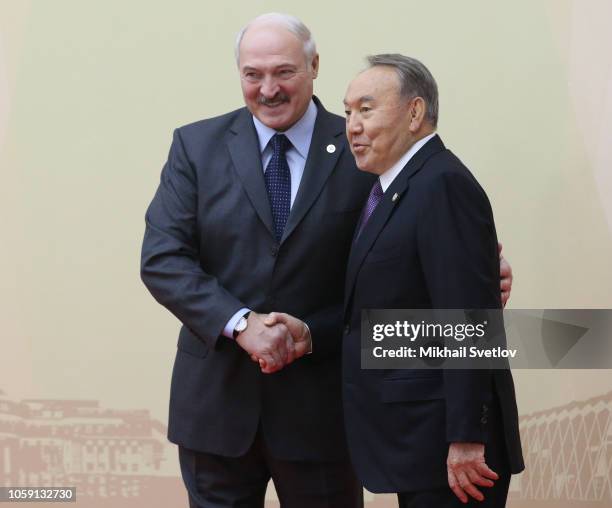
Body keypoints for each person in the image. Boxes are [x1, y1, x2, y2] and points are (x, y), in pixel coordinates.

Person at [140, 13, 514, 507]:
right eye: (253, 75)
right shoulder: (195, 145)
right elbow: (164, 259)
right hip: (216, 411)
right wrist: (241, 324)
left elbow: (412, 260)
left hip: (326, 414)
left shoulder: (370, 148)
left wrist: (475, 283)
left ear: (314, 65)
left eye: (284, 72)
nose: (268, 89)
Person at [339, 54, 524, 507]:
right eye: (347, 113)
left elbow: (468, 320)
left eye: (366, 109)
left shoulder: (441, 184)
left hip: (454, 453)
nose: (352, 126)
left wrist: (466, 437)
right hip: (420, 443)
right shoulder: (396, 188)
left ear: (415, 113)